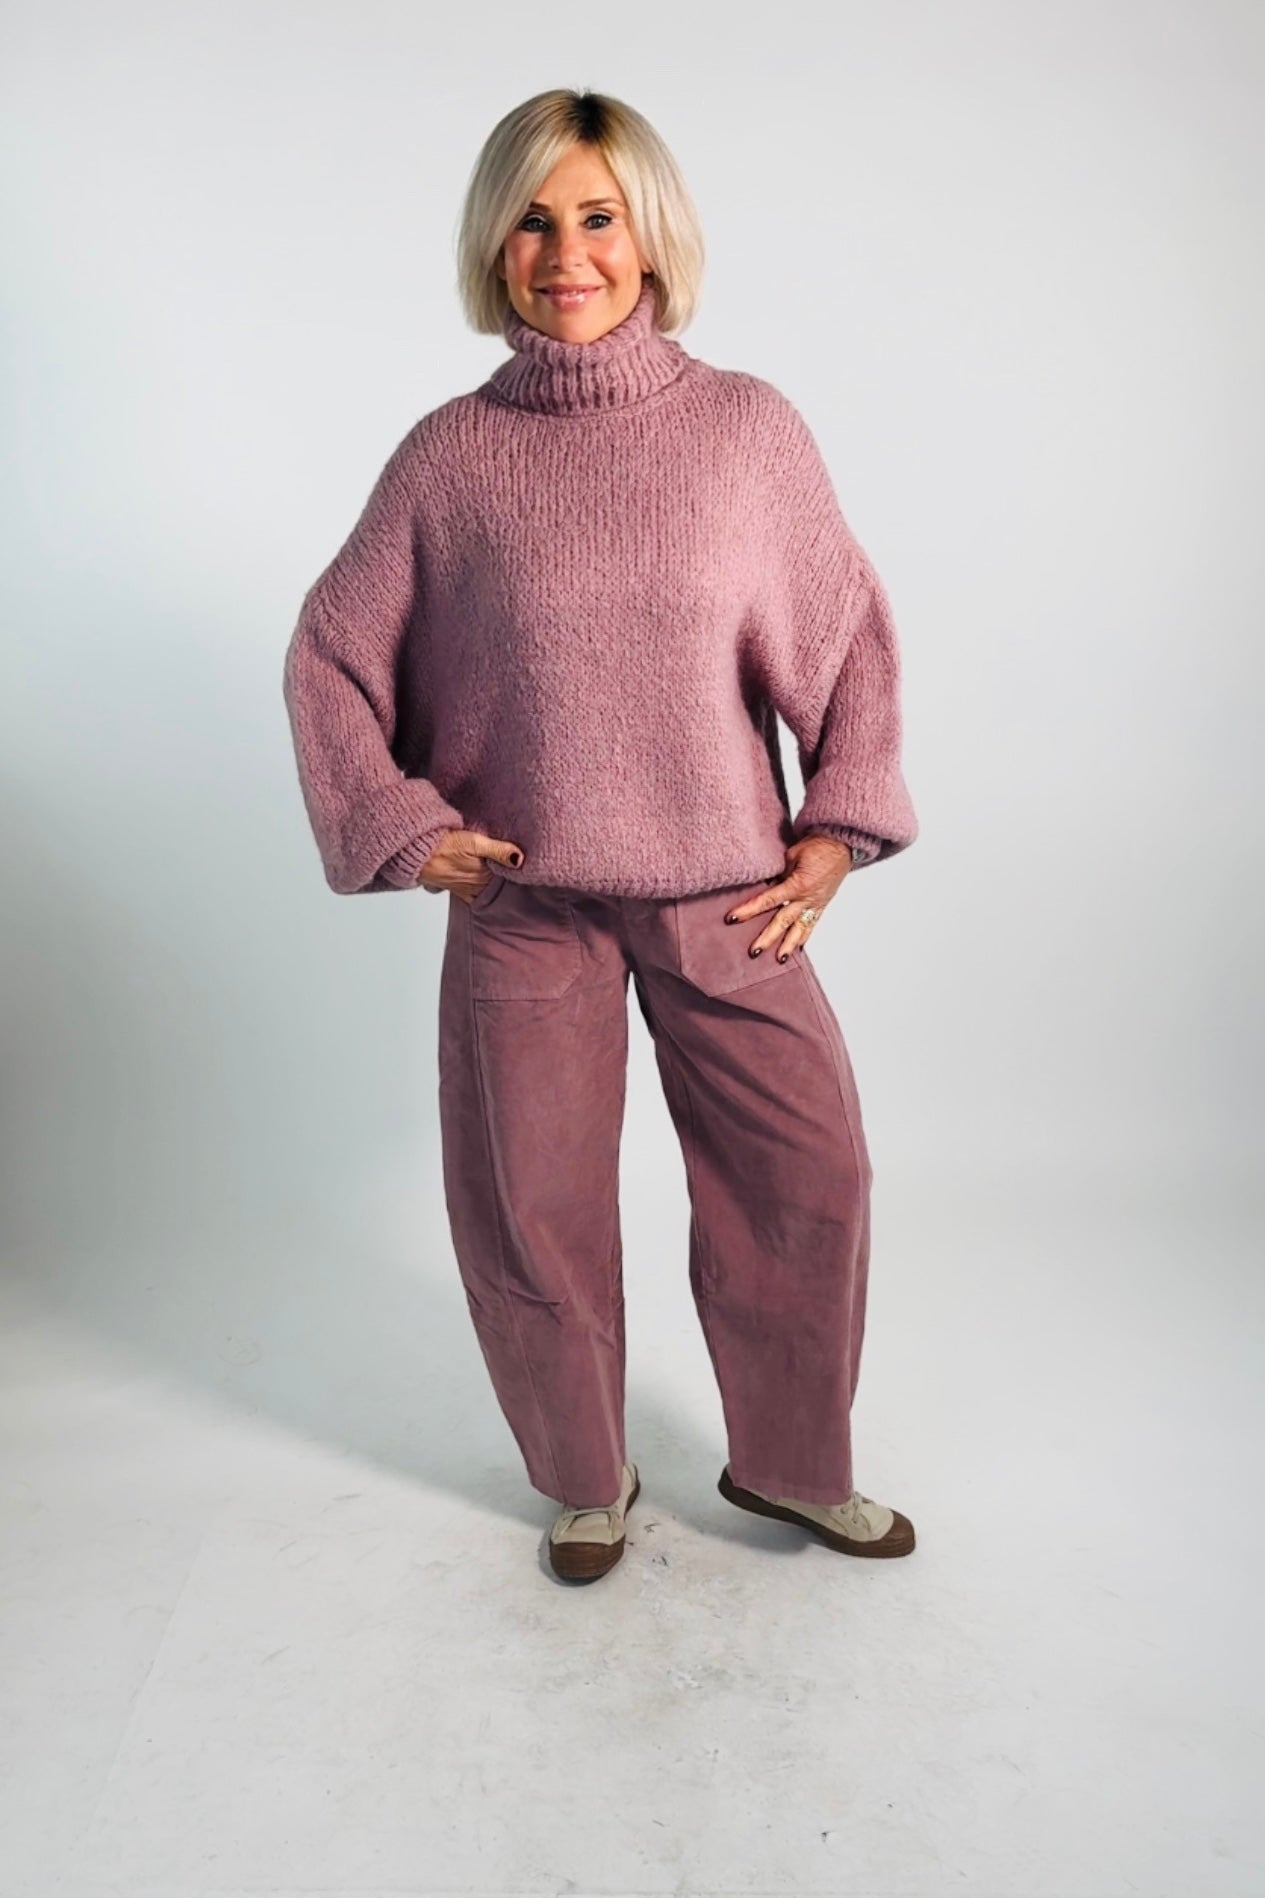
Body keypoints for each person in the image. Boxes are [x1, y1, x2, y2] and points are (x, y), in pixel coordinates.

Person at [282, 87, 920, 1583]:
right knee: (533, 1202)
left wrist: (837, 827)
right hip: (527, 902)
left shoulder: (745, 432)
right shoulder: (449, 459)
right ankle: (585, 1475)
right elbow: (330, 654)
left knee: (807, 1176)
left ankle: (792, 1465)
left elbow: (848, 641)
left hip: (730, 893)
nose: (564, 252)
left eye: (596, 216)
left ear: (650, 236)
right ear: (492, 244)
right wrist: (397, 821)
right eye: (531, 219)